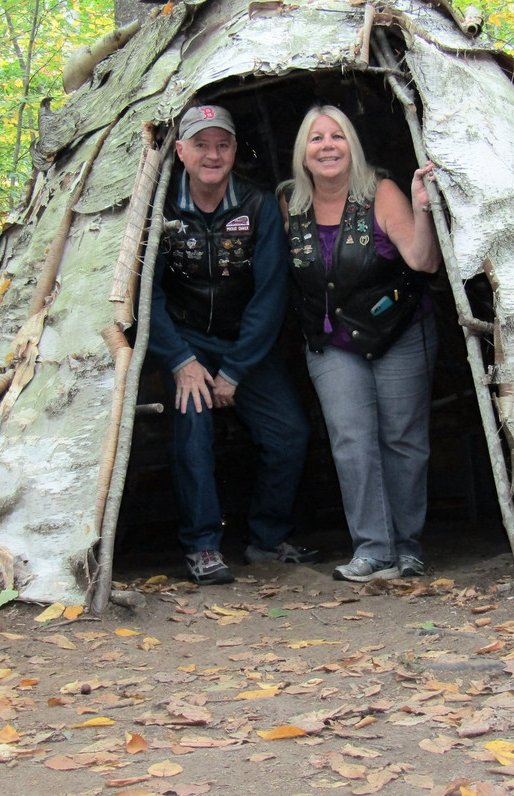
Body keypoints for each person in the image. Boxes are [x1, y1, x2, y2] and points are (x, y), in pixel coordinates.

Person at [149, 104, 317, 585]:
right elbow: (145, 295)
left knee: (289, 433)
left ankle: (267, 538)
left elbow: (271, 295)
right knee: (193, 431)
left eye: (222, 145)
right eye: (200, 144)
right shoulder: (160, 208)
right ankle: (202, 545)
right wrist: (180, 359)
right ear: (180, 151)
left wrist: (236, 370)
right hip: (186, 344)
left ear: (235, 151)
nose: (212, 154)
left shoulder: (258, 205)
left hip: (245, 345)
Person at [281, 105, 441, 583]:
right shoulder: (290, 205)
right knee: (352, 440)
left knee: (402, 439)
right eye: (316, 139)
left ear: (352, 146)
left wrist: (421, 209)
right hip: (331, 341)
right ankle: (373, 550)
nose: (327, 146)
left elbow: (423, 260)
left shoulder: (381, 193)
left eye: (337, 136)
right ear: (303, 154)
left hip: (398, 332)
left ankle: (408, 548)